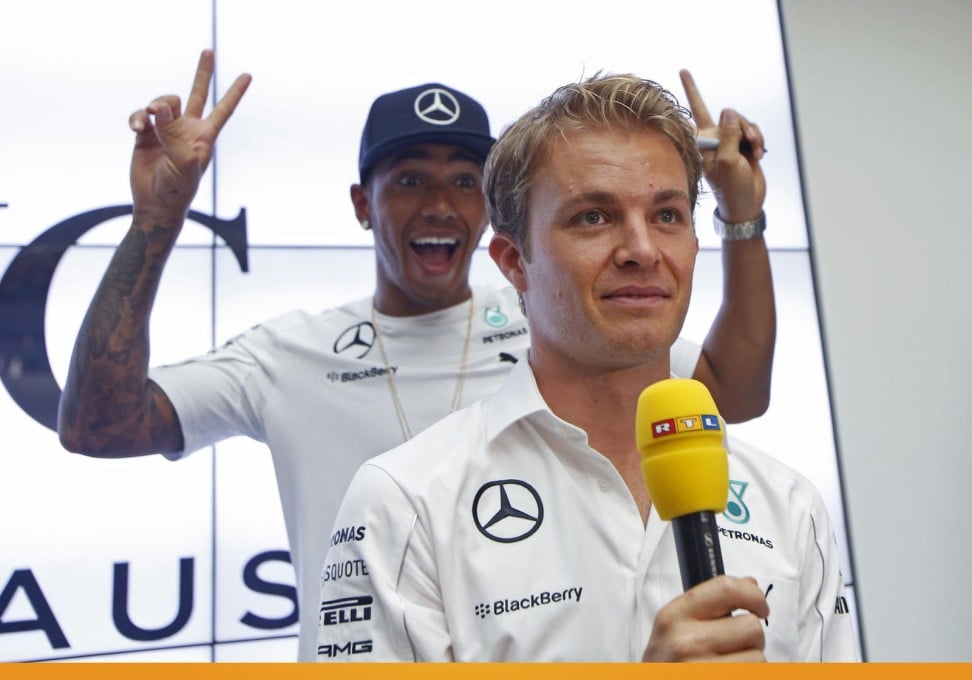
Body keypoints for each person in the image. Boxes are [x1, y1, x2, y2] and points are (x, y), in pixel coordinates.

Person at [57, 50, 776, 661]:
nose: (440, 205)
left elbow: (733, 395)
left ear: (496, 218)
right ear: (361, 204)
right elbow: (100, 424)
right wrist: (156, 221)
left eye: (465, 181)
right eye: (409, 180)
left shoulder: (565, 320)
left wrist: (740, 216)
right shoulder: (289, 353)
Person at [314, 73, 857, 662]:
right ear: (513, 261)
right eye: (593, 217)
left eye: (667, 215)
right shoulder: (405, 504)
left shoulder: (790, 505)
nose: (642, 250)